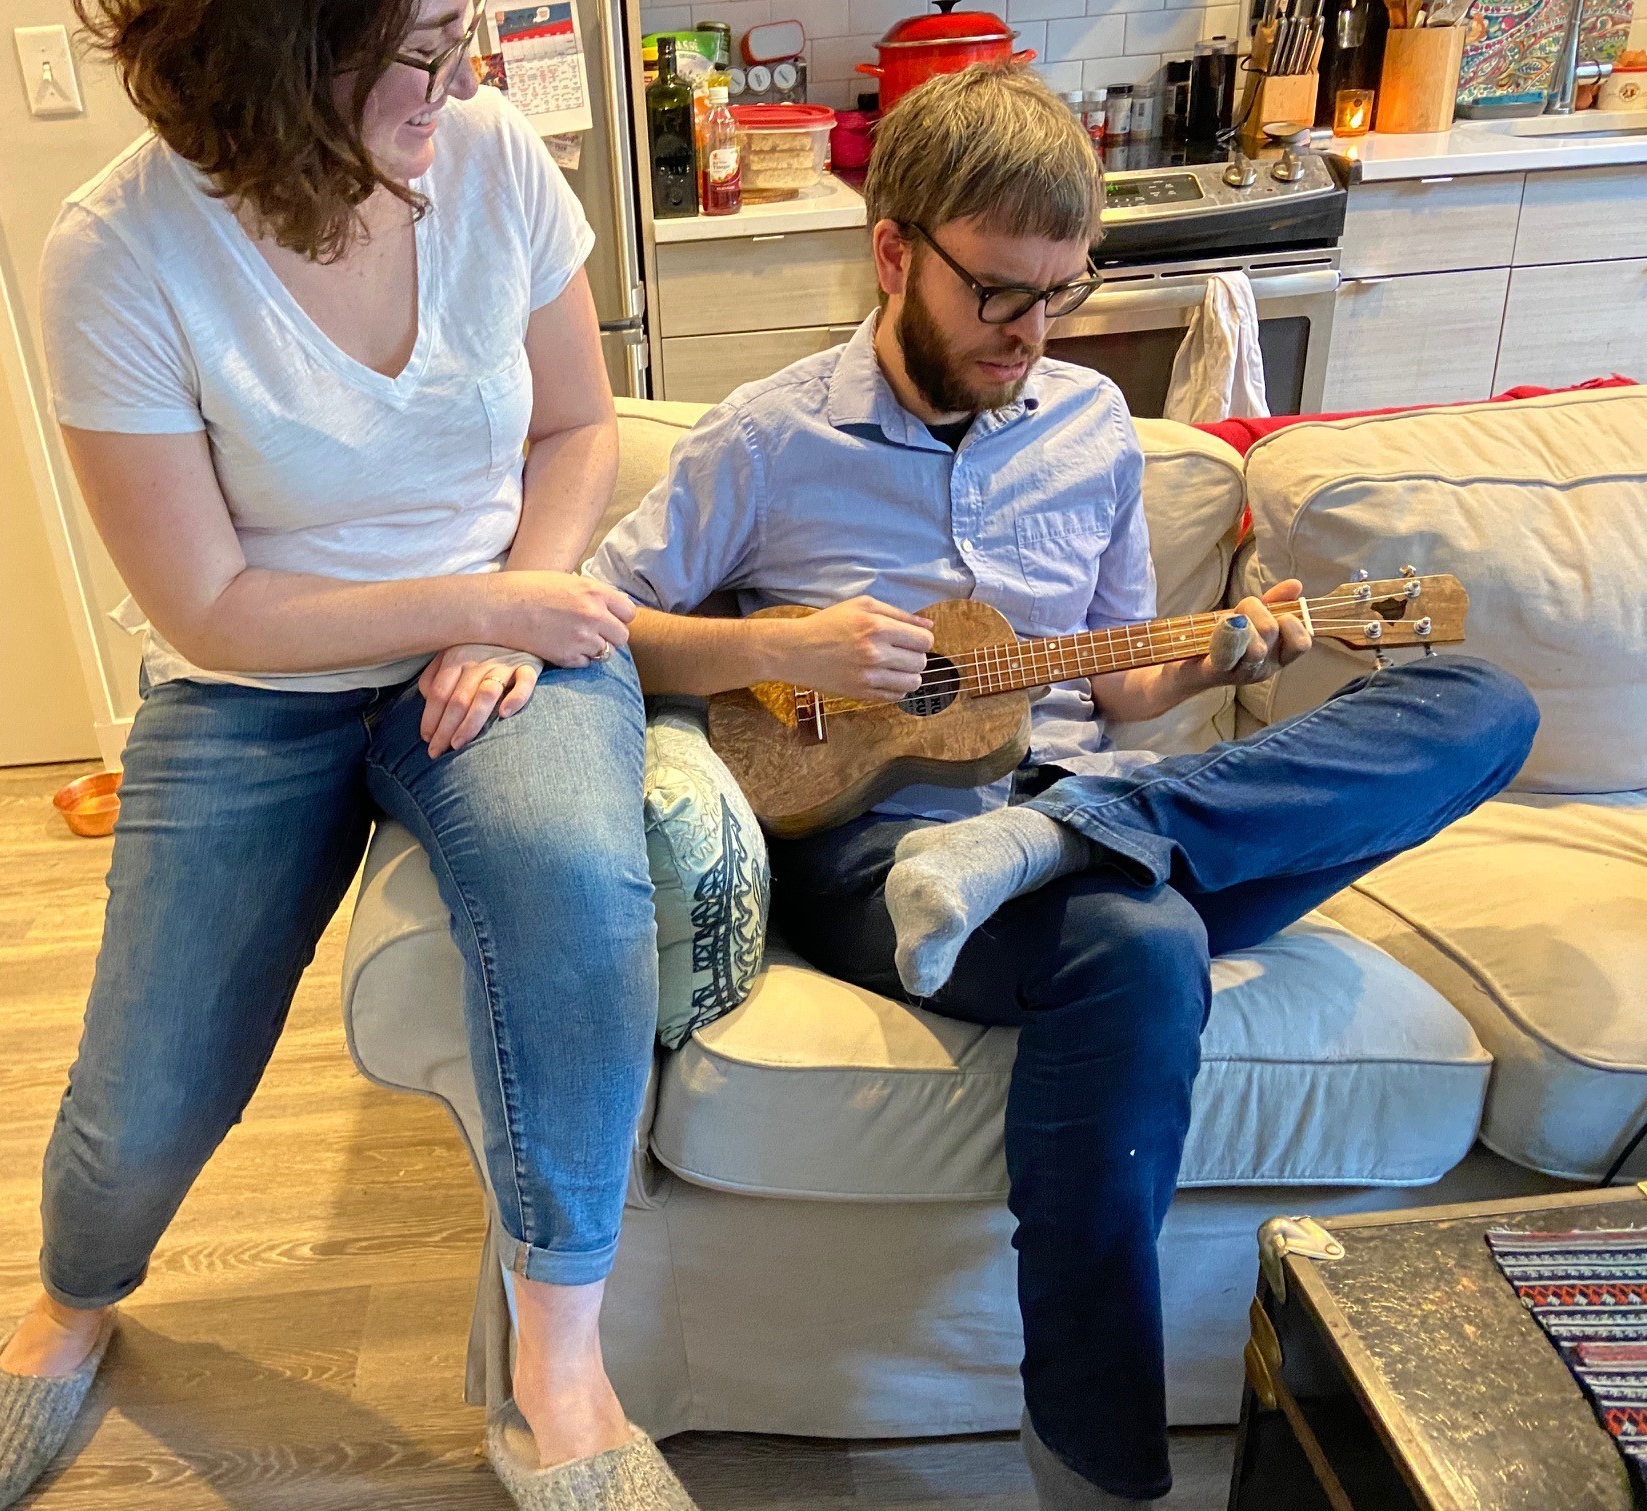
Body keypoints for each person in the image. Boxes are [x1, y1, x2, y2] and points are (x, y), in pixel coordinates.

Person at [588, 64, 1538, 1510]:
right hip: (879, 856)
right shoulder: (764, 439)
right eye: (996, 294)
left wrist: (1229, 654)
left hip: (1072, 798)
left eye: (1058, 295)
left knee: (1483, 703)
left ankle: (1063, 835)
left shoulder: (1089, 427)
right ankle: (1098, 1469)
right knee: (1141, 944)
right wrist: (777, 641)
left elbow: (1119, 686)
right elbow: (593, 619)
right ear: (893, 250)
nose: (1028, 333)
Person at [0, 3, 702, 1509]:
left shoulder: (493, 160)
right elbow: (209, 602)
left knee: (575, 902)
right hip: (251, 680)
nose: (463, 75)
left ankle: (559, 1371)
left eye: (462, 29)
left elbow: (574, 428)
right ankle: (69, 1305)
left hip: (500, 642)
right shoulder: (120, 253)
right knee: (147, 1083)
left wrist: (516, 618)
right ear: (278, 58)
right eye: (422, 49)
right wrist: (480, 599)